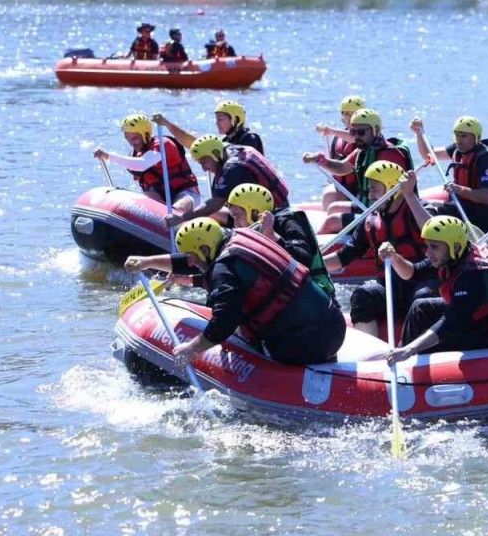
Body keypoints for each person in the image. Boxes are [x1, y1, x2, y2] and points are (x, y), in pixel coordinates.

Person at [169, 218, 346, 367]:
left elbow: (224, 321)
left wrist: (191, 349)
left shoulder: (223, 269)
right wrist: (191, 280)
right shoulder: (243, 236)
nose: (190, 263)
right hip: (333, 324)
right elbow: (251, 282)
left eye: (191, 256)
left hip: (305, 343)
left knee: (240, 334)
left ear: (205, 250)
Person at [125, 182, 336, 300]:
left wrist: (272, 236)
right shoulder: (245, 233)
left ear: (255, 213)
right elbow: (200, 258)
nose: (234, 223)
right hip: (286, 294)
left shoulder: (289, 221)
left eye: (237, 216)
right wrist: (148, 262)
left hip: (316, 293)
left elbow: (303, 259)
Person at [382, 216, 488, 364]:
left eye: (434, 247)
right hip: (477, 318)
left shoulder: (477, 274)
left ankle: (408, 359)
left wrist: (410, 349)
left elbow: (451, 322)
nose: (428, 253)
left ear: (456, 247)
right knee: (420, 307)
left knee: (436, 342)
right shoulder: (452, 255)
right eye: (427, 246)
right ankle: (403, 362)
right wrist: (394, 258)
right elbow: (412, 273)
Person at [322, 163, 439, 338]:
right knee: (362, 296)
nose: (370, 196)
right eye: (369, 190)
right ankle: (373, 351)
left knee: (422, 298)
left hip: (423, 282)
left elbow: (435, 232)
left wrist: (409, 195)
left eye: (374, 189)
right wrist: (312, 264)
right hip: (391, 286)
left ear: (392, 188)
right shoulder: (371, 220)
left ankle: (416, 349)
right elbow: (345, 256)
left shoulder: (419, 209)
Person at [302, 108, 412, 231]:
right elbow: (342, 167)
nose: (356, 137)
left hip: (384, 213)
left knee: (331, 221)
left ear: (376, 130)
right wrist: (321, 160)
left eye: (361, 132)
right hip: (365, 206)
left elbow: (401, 193)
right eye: (352, 132)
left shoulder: (390, 155)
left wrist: (379, 217)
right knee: (333, 208)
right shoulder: (362, 151)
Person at [167, 135, 289, 228]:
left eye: (205, 161)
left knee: (210, 213)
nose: (204, 168)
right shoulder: (229, 150)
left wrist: (183, 218)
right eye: (200, 163)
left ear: (215, 154)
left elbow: (215, 204)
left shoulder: (232, 168)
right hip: (272, 206)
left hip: (271, 215)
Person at [410, 115, 488, 231]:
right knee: (418, 205)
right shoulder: (458, 149)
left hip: (479, 216)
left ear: (476, 138)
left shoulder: (487, 158)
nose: (459, 140)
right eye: (457, 135)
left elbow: (486, 197)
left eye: (464, 136)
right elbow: (428, 155)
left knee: (428, 210)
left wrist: (457, 189)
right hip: (459, 206)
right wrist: (419, 134)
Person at [93, 114, 200, 213]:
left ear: (146, 134)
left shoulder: (164, 144)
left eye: (135, 138)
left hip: (185, 192)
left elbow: (142, 164)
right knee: (148, 196)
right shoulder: (134, 155)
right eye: (127, 138)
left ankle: (177, 216)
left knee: (180, 206)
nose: (131, 142)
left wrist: (108, 156)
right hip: (159, 196)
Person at [154, 100, 264, 156]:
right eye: (216, 119)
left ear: (235, 119)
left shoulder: (250, 139)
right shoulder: (224, 141)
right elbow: (194, 144)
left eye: (220, 119)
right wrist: (167, 124)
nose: (217, 123)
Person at [314, 95, 367, 211]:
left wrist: (331, 130)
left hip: (359, 188)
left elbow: (353, 138)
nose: (349, 117)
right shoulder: (339, 136)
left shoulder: (365, 136)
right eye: (345, 113)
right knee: (328, 195)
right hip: (343, 185)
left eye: (352, 114)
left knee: (336, 201)